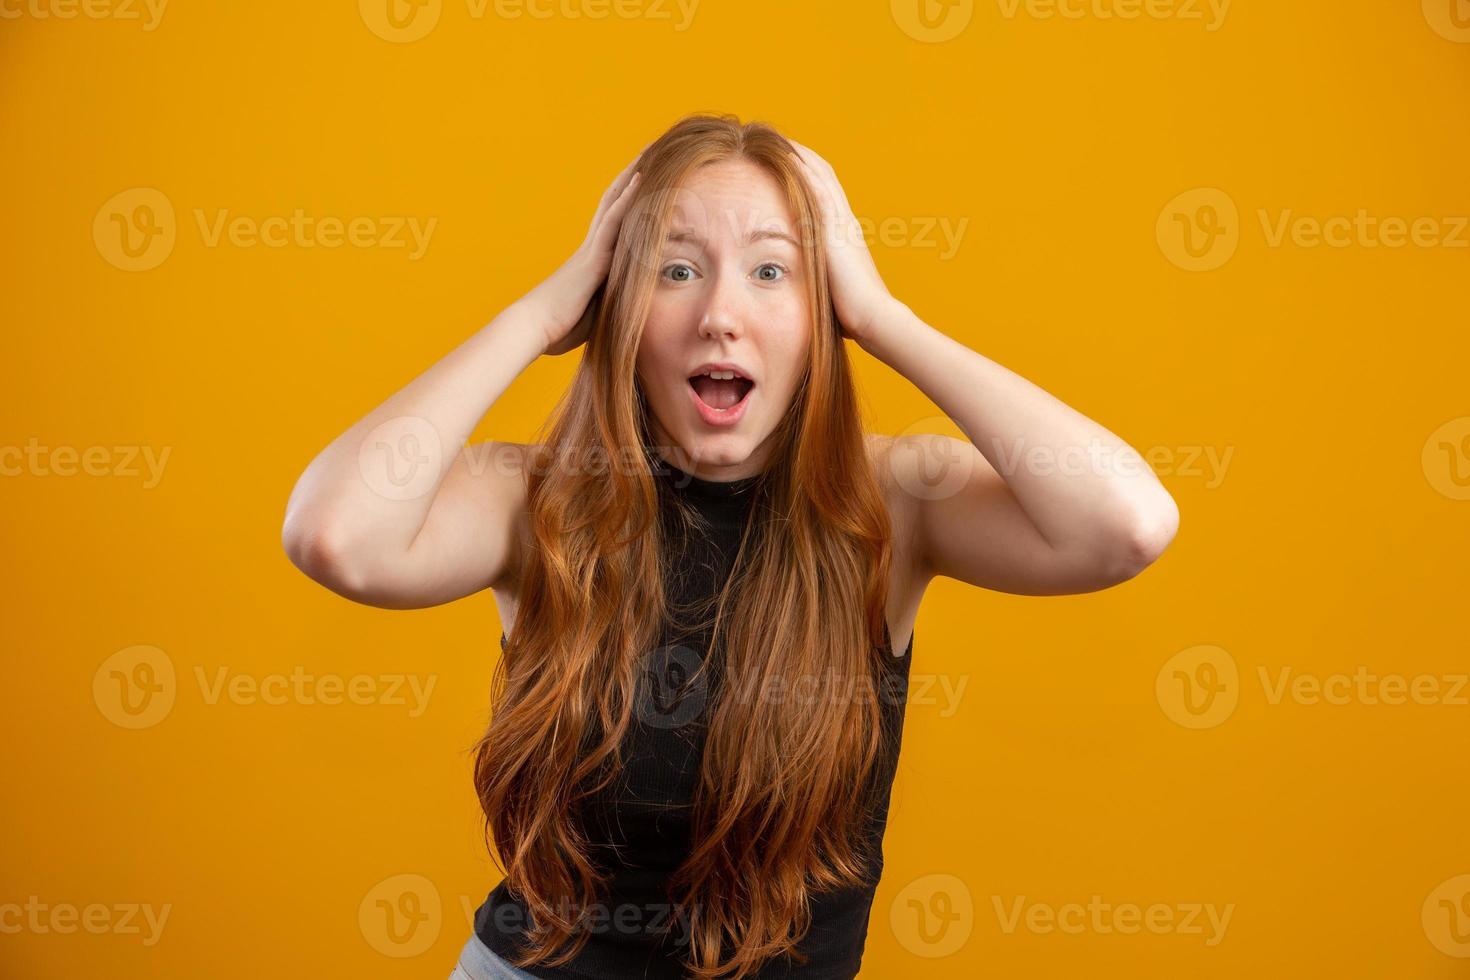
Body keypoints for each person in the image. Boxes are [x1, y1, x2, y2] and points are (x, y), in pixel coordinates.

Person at [281, 112, 1179, 979]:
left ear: (820, 312)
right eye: (675, 270)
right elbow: (336, 536)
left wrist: (880, 315)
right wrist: (541, 317)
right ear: (619, 309)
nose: (720, 312)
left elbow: (1127, 523)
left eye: (770, 272)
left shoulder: (894, 503)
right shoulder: (538, 496)